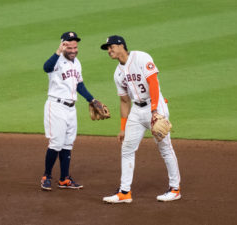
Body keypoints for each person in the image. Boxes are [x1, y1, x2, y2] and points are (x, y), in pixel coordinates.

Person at [100, 35, 181, 203]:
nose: (109, 50)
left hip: (156, 106)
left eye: (111, 47)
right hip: (136, 111)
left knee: (165, 148)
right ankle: (124, 192)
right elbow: (124, 100)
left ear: (121, 45)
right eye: (107, 48)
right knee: (127, 148)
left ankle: (175, 189)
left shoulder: (141, 57)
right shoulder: (117, 74)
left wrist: (154, 113)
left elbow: (153, 83)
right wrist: (122, 128)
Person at [40, 31, 109, 191]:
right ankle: (46, 176)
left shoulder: (77, 63)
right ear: (63, 46)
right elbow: (46, 68)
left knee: (68, 144)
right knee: (56, 143)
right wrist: (57, 51)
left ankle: (64, 179)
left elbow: (79, 85)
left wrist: (91, 99)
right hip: (56, 106)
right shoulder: (56, 60)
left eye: (75, 47)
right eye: (69, 47)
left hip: (71, 109)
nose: (73, 50)